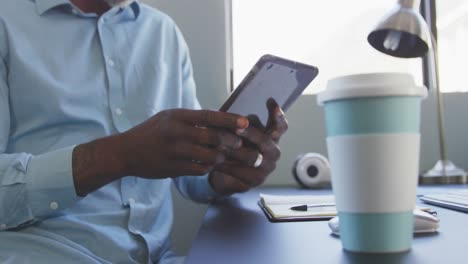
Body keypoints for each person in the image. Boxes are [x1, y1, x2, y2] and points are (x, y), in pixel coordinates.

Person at [0, 0, 288, 263]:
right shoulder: (6, 21)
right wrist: (117, 156)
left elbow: (191, 178)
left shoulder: (163, 32)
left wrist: (223, 174)